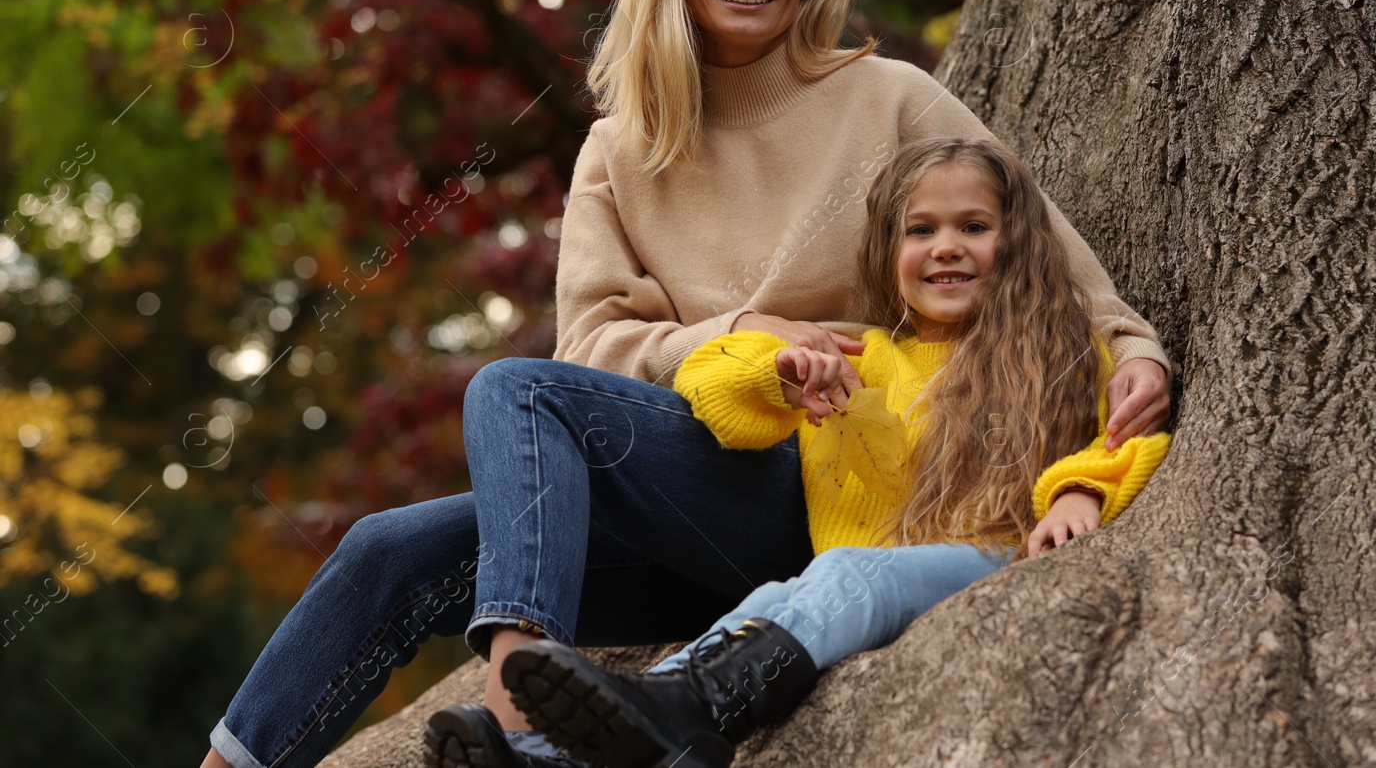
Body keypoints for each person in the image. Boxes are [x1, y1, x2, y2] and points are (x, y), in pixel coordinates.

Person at [200, 0, 1173, 768]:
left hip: (845, 474)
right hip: (691, 492)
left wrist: (1132, 351)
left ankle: (515, 701)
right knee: (391, 546)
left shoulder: (890, 99)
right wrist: (736, 329)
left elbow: (1044, 254)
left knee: (514, 390)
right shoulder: (621, 148)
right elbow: (593, 346)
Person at [497, 137, 1171, 768]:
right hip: (864, 575)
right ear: (885, 250)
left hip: (996, 558)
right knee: (774, 598)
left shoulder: (1065, 349)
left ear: (1018, 241)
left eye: (974, 226)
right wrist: (779, 375)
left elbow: (1129, 436)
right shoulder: (864, 357)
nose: (946, 247)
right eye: (921, 229)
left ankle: (691, 709)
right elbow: (711, 386)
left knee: (850, 571)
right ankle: (568, 746)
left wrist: (1077, 492)